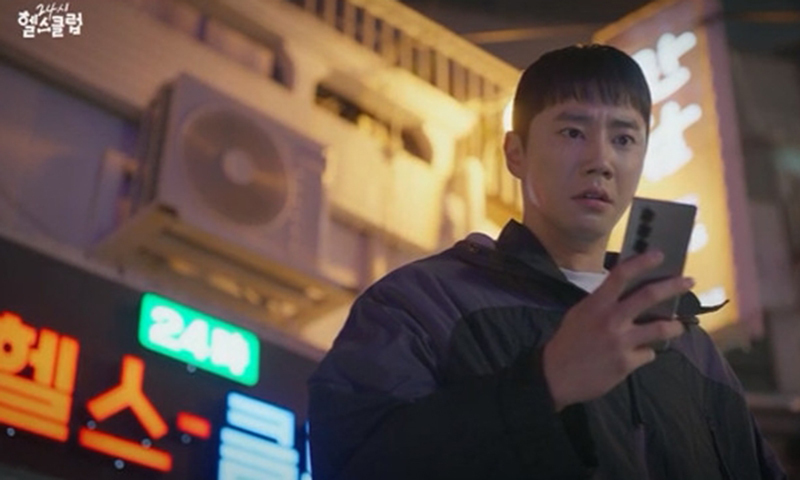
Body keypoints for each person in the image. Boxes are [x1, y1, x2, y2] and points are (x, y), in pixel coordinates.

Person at [307, 44, 786, 479]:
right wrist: (544, 384)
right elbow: (354, 464)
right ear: (515, 153)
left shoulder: (688, 345)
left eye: (624, 139)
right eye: (572, 132)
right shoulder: (421, 304)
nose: (600, 160)